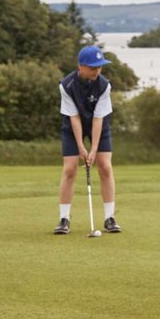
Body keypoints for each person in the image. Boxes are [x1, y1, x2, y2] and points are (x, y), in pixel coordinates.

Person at [53, 45, 121, 234]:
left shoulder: (104, 85)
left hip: (98, 125)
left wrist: (93, 150)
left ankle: (110, 218)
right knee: (70, 168)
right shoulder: (66, 85)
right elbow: (74, 118)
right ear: (80, 66)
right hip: (72, 125)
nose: (97, 71)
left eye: (99, 67)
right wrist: (82, 148)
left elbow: (98, 120)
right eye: (92, 67)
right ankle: (64, 219)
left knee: (105, 166)